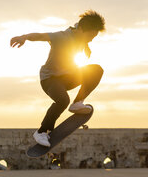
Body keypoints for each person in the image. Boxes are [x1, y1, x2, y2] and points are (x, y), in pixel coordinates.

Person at [10, 10, 105, 147]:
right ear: (83, 30)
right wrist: (23, 37)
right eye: (91, 36)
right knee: (62, 100)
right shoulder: (62, 37)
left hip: (67, 77)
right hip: (50, 79)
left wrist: (86, 45)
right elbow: (41, 36)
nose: (91, 39)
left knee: (96, 70)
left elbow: (79, 27)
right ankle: (41, 132)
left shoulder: (80, 32)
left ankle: (77, 103)